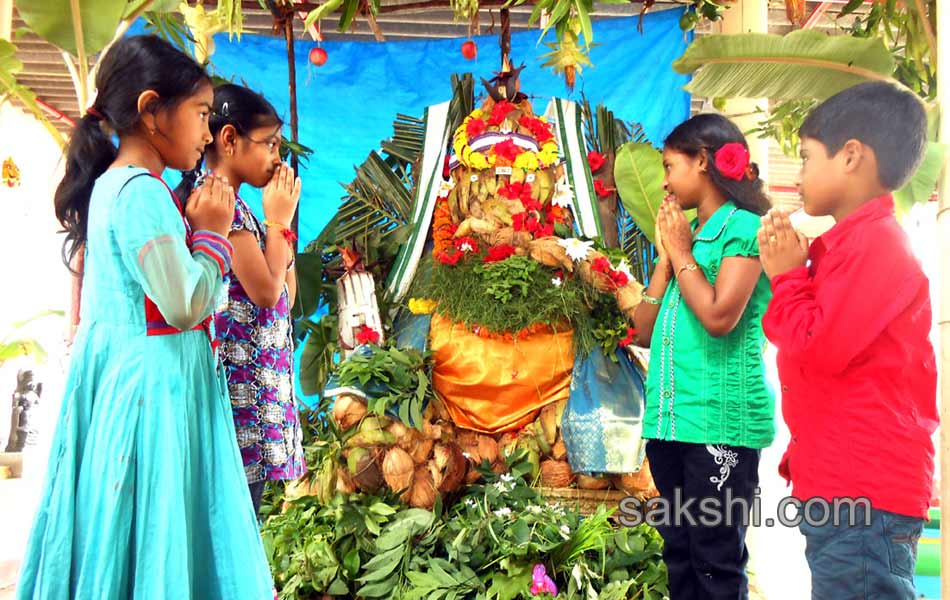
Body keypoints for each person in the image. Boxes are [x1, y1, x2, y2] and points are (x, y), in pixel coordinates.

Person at [17, 35, 274, 599]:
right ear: (152, 111)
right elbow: (184, 304)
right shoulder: (142, 193)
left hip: (129, 375)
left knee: (130, 532)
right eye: (201, 115)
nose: (208, 133)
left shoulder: (116, 186)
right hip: (152, 390)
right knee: (157, 525)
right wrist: (209, 234)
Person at [758, 80, 937, 600]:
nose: (799, 175)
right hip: (842, 484)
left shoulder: (877, 246)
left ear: (851, 156)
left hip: (863, 491)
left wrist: (789, 276)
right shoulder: (849, 248)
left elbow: (816, 345)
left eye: (807, 158)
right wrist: (802, 268)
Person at [633, 113, 774, 599]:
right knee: (679, 554)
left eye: (671, 166)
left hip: (719, 423)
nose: (666, 181)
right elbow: (644, 330)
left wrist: (681, 252)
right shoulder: (683, 233)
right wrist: (665, 256)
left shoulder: (745, 229)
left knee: (715, 560)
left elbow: (719, 318)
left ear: (703, 162)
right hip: (670, 422)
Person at [176, 84, 304, 517]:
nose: (277, 159)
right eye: (269, 144)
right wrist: (279, 220)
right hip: (236, 404)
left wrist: (279, 229)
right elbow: (267, 293)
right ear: (229, 140)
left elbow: (288, 294)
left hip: (255, 402)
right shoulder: (217, 205)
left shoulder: (243, 209)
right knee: (233, 524)